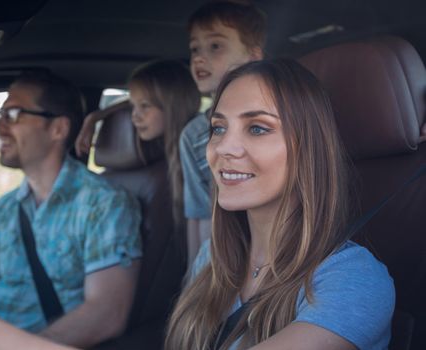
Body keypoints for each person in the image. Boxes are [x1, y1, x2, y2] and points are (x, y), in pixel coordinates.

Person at [165, 59, 395, 349]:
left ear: (308, 146)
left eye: (258, 128)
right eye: (219, 128)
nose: (222, 147)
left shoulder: (354, 279)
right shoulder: (211, 257)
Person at [0, 72, 143, 348]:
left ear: (58, 129)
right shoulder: (3, 210)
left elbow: (106, 314)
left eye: (14, 114)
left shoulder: (104, 204)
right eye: (0, 114)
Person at [180, 0, 267, 268]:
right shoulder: (193, 134)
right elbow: (198, 214)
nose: (199, 57)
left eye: (215, 46)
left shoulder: (277, 117)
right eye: (194, 48)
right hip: (221, 254)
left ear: (253, 57)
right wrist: (196, 276)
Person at [76, 59, 201, 232]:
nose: (134, 116)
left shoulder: (196, 152)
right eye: (133, 106)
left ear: (172, 106)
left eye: (144, 106)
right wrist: (97, 116)